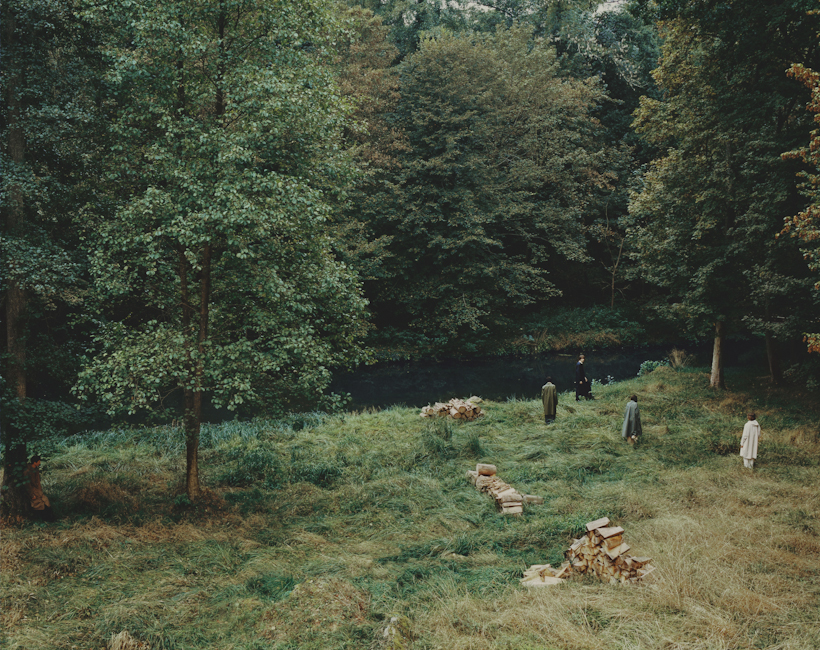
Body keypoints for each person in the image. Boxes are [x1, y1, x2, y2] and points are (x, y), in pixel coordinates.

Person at [23, 455, 55, 522]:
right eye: (39, 461)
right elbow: (27, 485)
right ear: (35, 462)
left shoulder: (36, 469)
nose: (40, 463)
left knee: (46, 500)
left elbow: (38, 481)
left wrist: (40, 491)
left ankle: (50, 519)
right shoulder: (27, 471)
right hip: (32, 490)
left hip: (37, 490)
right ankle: (43, 520)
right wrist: (31, 494)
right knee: (39, 504)